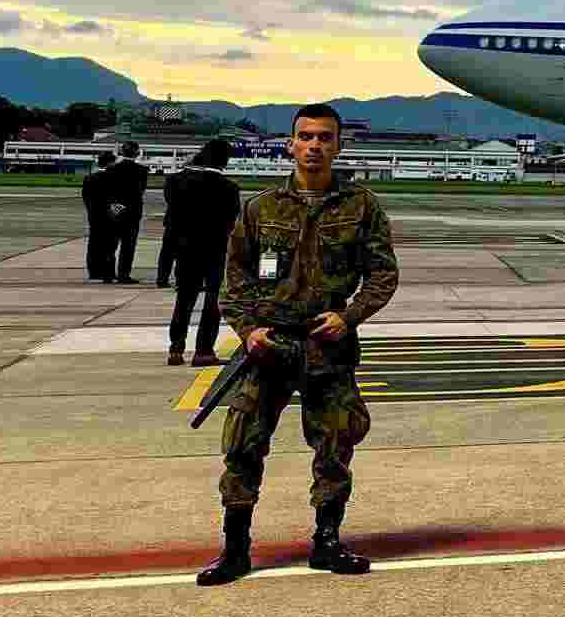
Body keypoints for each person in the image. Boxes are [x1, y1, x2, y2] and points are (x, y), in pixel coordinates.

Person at [197, 105, 396, 587]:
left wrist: (349, 317)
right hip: (268, 346)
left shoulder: (361, 206)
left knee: (335, 446)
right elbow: (235, 277)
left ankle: (327, 542)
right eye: (305, 137)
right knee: (242, 446)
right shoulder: (261, 208)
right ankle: (235, 549)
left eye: (325, 138)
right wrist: (247, 329)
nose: (314, 146)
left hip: (327, 346)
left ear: (338, 146)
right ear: (290, 145)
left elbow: (382, 274)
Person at [162, 140, 242, 366]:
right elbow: (232, 223)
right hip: (216, 250)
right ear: (225, 161)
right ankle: (204, 350)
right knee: (213, 301)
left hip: (186, 249)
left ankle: (176, 348)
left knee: (183, 300)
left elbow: (173, 219)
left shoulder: (177, 182)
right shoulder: (229, 188)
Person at [105, 139, 148, 284]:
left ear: (121, 152)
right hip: (132, 210)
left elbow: (108, 191)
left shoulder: (111, 168)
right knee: (128, 245)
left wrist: (115, 205)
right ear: (137, 153)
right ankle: (123, 274)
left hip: (115, 209)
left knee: (111, 244)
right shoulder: (142, 170)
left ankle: (108, 274)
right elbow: (140, 191)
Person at [81, 151, 118, 283]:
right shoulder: (114, 178)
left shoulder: (89, 178)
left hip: (94, 215)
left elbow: (86, 198)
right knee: (109, 246)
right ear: (110, 163)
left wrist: (92, 211)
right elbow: (117, 199)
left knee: (94, 243)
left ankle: (94, 272)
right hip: (110, 216)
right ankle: (108, 273)